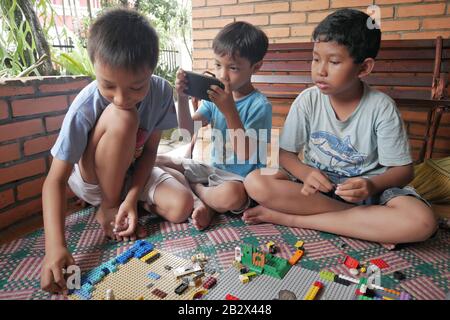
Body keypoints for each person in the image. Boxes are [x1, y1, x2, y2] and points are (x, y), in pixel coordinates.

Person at [243, 9, 437, 245]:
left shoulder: (381, 107)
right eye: (315, 59)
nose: (320, 70)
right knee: (255, 182)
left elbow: (403, 171)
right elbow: (284, 154)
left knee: (422, 222)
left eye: (334, 61)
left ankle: (293, 219)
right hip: (319, 188)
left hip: (368, 191)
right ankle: (368, 224)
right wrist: (305, 173)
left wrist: (371, 184)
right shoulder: (308, 99)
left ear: (364, 68)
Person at [41, 8, 194, 294]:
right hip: (93, 181)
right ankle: (108, 205)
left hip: (131, 170)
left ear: (152, 71)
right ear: (95, 69)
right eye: (108, 86)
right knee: (125, 117)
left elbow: (148, 152)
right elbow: (55, 180)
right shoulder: (85, 105)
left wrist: (133, 197)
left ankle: (127, 205)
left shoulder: (161, 93)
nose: (122, 97)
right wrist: (55, 247)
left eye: (137, 87)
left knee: (182, 205)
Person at [157, 21, 272, 230]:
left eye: (233, 68)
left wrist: (229, 109)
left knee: (231, 196)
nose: (222, 75)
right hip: (212, 170)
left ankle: (198, 193)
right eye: (218, 65)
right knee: (158, 160)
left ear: (256, 67)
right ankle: (207, 201)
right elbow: (186, 131)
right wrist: (182, 99)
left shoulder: (259, 105)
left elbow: (246, 154)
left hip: (240, 180)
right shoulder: (214, 98)